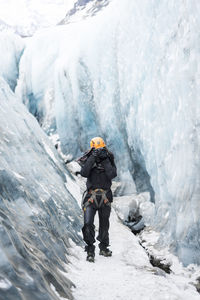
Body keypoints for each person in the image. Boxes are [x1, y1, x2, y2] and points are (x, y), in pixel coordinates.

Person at [78, 137, 117, 262]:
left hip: (105, 196)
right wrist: (92, 157)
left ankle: (104, 247)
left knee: (104, 224)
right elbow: (84, 173)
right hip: (91, 196)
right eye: (97, 149)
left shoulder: (109, 158)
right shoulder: (88, 158)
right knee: (88, 223)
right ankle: (90, 249)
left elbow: (112, 174)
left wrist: (105, 160)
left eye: (101, 149)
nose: (99, 151)